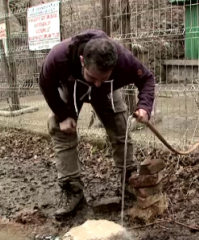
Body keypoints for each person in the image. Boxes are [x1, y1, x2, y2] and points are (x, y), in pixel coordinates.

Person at [39, 29, 155, 218]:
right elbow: (45, 83)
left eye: (104, 77)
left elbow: (146, 78)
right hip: (72, 88)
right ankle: (72, 190)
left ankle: (128, 179)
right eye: (93, 77)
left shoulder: (123, 60)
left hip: (108, 93)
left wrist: (144, 107)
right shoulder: (59, 57)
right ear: (83, 60)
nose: (97, 83)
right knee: (60, 128)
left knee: (120, 126)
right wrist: (62, 115)